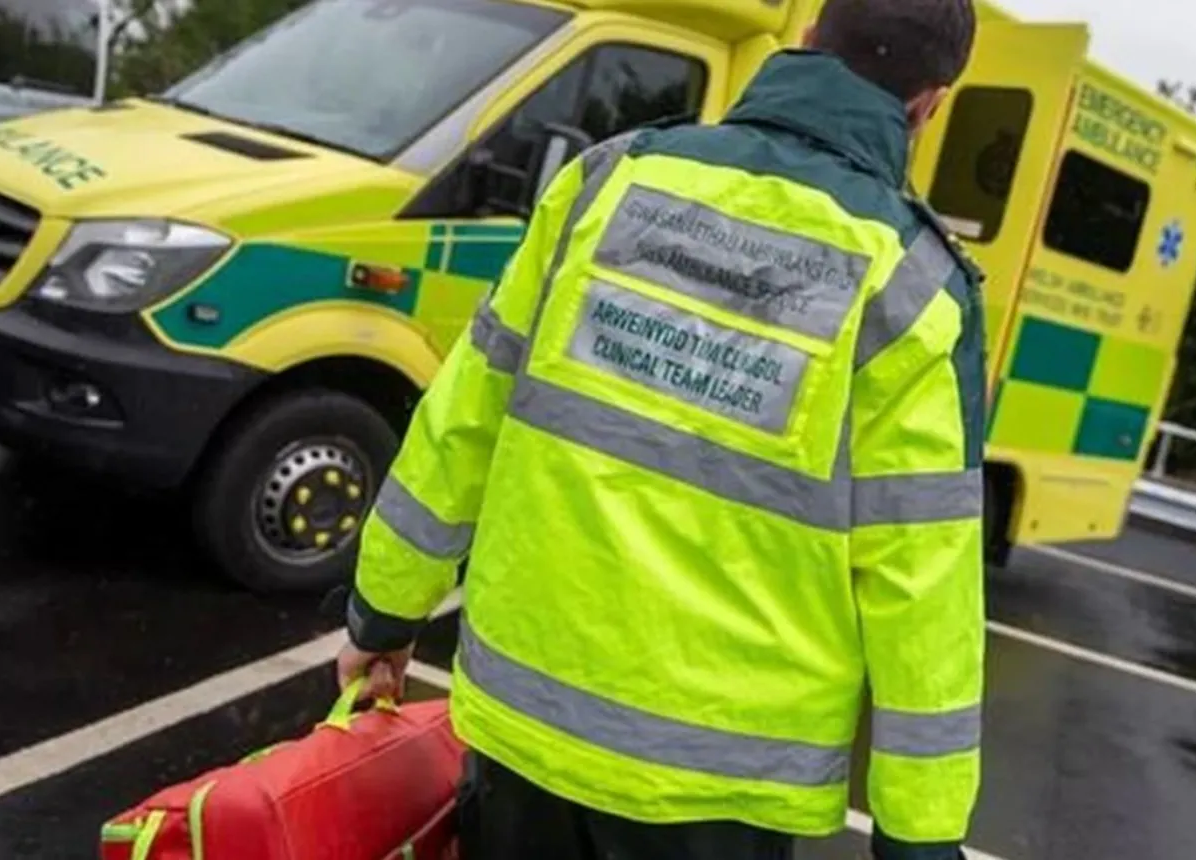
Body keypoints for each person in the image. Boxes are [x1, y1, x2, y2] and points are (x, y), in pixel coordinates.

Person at [338, 0, 986, 857]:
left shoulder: (606, 182)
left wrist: (383, 618)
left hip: (526, 737)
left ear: (805, 41)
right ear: (928, 105)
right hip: (718, 793)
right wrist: (919, 836)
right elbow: (923, 582)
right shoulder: (916, 288)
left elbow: (461, 423)